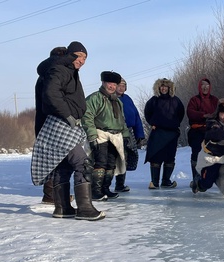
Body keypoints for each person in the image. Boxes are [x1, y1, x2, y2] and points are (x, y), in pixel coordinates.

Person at [31, 41, 105, 221]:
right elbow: (51, 94)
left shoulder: (67, 71)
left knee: (64, 165)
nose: (83, 61)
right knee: (83, 162)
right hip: (60, 124)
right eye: (80, 56)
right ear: (70, 55)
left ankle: (62, 208)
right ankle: (85, 209)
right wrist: (68, 115)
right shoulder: (59, 69)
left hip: (63, 124)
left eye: (85, 58)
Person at [82, 71, 129, 201]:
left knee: (111, 164)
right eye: (110, 83)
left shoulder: (118, 102)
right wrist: (92, 135)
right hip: (100, 134)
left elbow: (121, 120)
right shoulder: (95, 98)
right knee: (101, 162)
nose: (112, 86)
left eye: (115, 84)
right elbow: (87, 116)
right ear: (103, 82)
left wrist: (125, 135)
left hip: (115, 136)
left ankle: (105, 188)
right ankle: (96, 191)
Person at [34, 46, 73, 205]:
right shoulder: (51, 75)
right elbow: (53, 100)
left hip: (45, 121)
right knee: (55, 158)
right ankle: (51, 195)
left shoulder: (46, 75)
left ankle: (53, 193)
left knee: (55, 157)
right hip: (51, 122)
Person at [144, 78, 185, 189]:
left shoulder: (176, 100)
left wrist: (174, 123)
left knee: (170, 158)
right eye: (161, 86)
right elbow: (147, 112)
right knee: (156, 157)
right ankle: (154, 182)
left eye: (166, 86)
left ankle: (166, 181)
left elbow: (181, 113)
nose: (163, 88)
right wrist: (151, 123)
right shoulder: (153, 100)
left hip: (172, 133)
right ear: (158, 88)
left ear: (169, 88)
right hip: (157, 132)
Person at [113, 78, 145, 192]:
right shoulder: (110, 98)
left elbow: (136, 117)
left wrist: (139, 134)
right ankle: (103, 185)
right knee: (114, 157)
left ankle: (120, 184)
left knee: (125, 157)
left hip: (129, 131)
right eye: (119, 85)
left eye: (123, 86)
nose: (121, 88)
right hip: (115, 131)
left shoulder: (127, 99)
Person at [186, 78, 219, 184]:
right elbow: (190, 113)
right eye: (203, 85)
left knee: (213, 154)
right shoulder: (194, 100)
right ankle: (196, 177)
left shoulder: (214, 100)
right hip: (197, 131)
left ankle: (210, 178)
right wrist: (203, 115)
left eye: (207, 85)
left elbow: (220, 112)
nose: (205, 87)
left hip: (211, 131)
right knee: (196, 153)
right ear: (199, 87)